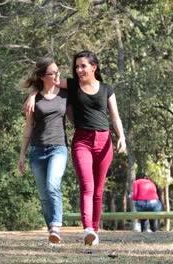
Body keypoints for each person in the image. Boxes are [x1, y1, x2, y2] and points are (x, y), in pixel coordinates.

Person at [24, 50, 126, 246]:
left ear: (94, 67)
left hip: (104, 141)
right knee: (87, 186)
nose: (78, 70)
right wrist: (32, 94)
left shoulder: (107, 89)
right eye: (77, 66)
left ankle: (94, 231)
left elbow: (115, 116)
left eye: (83, 66)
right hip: (82, 141)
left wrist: (121, 137)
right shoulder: (72, 85)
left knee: (98, 189)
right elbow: (47, 84)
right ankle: (88, 228)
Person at [18, 57, 68, 244]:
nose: (57, 75)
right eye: (52, 73)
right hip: (37, 149)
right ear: (42, 76)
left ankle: (56, 225)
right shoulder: (34, 98)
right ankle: (51, 232)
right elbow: (29, 126)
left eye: (58, 71)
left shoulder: (64, 93)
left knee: (52, 184)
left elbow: (82, 87)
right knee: (43, 195)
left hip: (59, 148)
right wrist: (22, 154)